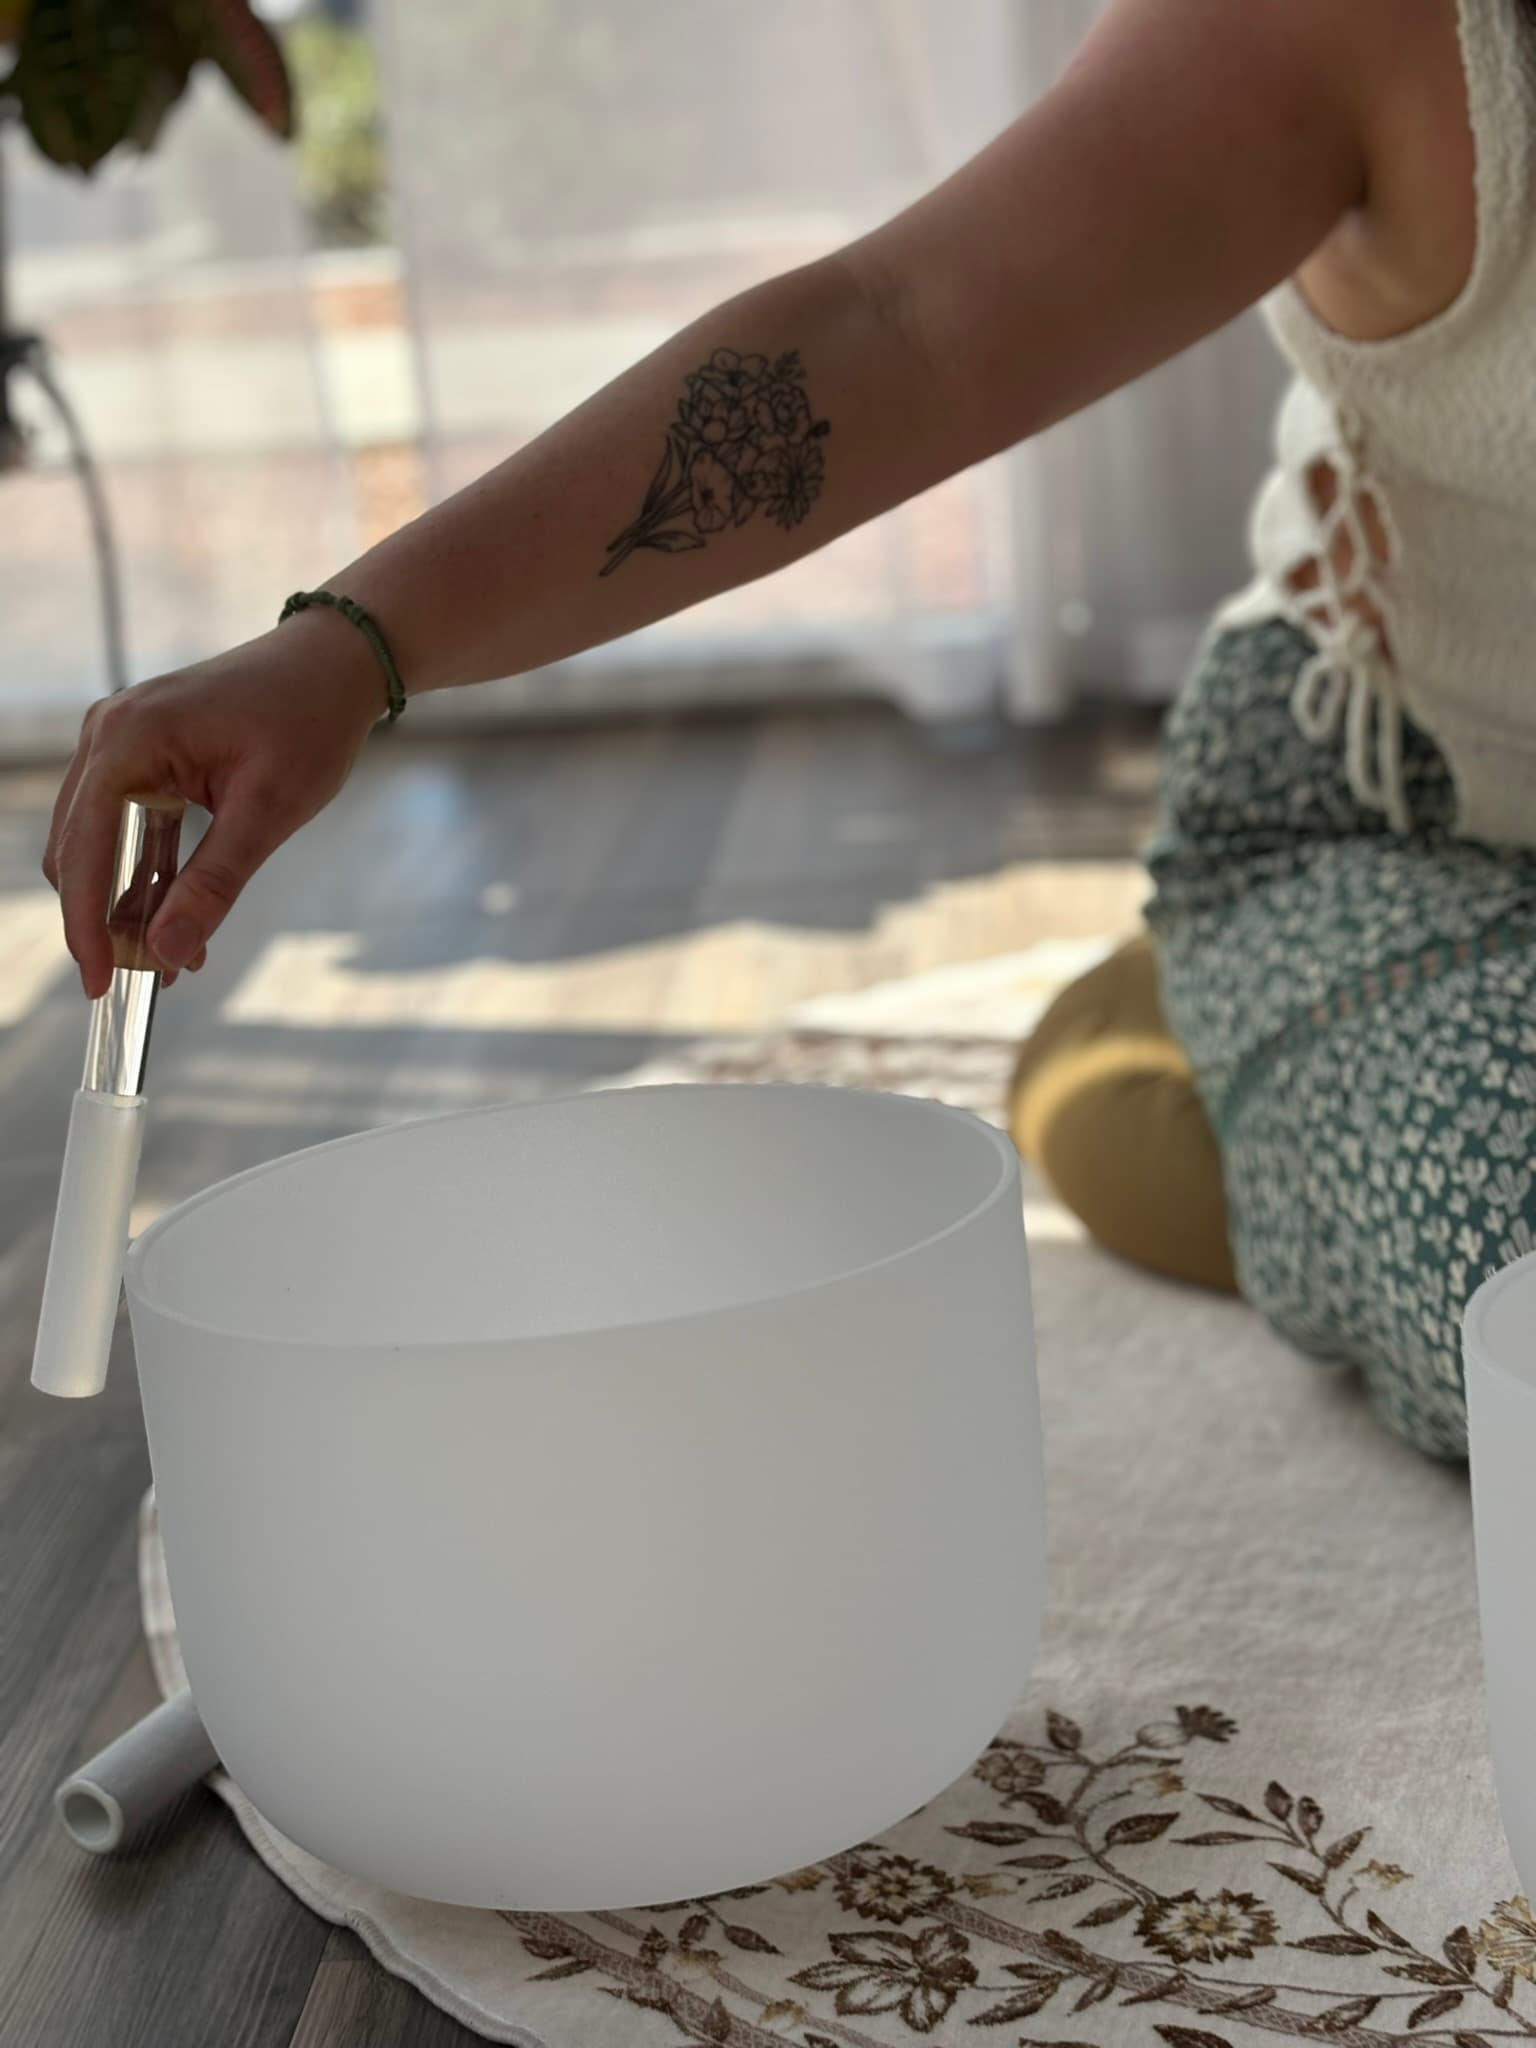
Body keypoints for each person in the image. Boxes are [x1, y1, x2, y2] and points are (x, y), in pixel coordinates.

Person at [44, 0, 1536, 1461]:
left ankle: (1215, 1078)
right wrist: (347, 647)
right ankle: (1224, 1055)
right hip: (1402, 815)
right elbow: (902, 333)